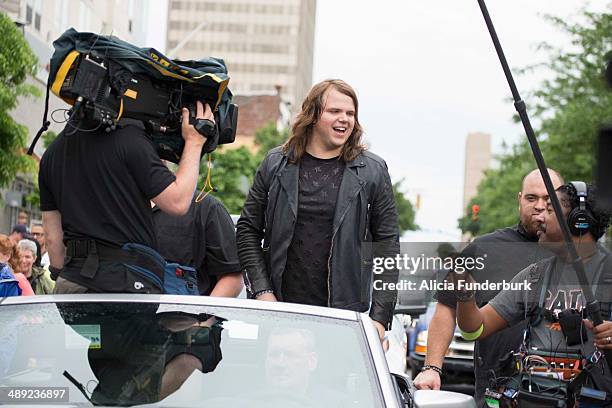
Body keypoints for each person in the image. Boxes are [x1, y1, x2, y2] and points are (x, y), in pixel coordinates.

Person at [236, 79, 400, 342]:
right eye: (335, 111)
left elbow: (387, 246)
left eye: (350, 113)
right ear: (312, 115)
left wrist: (379, 319)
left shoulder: (373, 170)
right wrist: (262, 291)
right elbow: (247, 230)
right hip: (279, 313)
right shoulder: (275, 163)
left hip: (343, 320)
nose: (344, 119)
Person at [414, 168, 564, 406]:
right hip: (497, 392)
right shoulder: (485, 248)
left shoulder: (581, 256)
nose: (539, 206)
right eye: (531, 198)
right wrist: (432, 367)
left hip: (563, 392)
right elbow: (447, 308)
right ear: (519, 200)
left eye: (549, 199)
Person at [455, 182, 612, 403]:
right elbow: (474, 329)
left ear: (579, 222)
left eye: (550, 210)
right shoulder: (535, 276)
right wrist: (464, 295)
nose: (540, 217)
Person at [39, 101, 213, 294]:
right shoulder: (130, 139)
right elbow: (178, 202)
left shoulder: (52, 153)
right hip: (125, 286)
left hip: (71, 285)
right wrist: (194, 141)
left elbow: (53, 240)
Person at [153, 192, 242, 297]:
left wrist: (205, 311)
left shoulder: (206, 207)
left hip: (185, 311)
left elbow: (233, 275)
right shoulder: (130, 210)